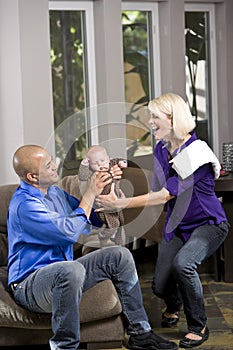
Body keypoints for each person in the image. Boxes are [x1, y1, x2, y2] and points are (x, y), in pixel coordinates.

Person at [7, 144, 178, 350]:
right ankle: (65, 346)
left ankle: (140, 333)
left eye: (52, 160)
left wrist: (113, 203)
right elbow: (69, 232)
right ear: (32, 177)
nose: (55, 166)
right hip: (30, 285)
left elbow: (90, 217)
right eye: (48, 165)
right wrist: (89, 193)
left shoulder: (55, 193)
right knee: (71, 268)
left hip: (65, 276)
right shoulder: (24, 205)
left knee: (120, 255)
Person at [95, 93, 230, 348]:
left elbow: (164, 195)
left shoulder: (197, 153)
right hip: (177, 225)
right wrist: (123, 168)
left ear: (172, 118)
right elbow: (158, 183)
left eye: (155, 116)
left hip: (209, 224)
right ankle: (175, 303)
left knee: (184, 264)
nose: (151, 121)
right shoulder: (161, 148)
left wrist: (120, 204)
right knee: (159, 286)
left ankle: (198, 326)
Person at [78, 145, 127, 247]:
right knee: (114, 224)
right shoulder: (93, 173)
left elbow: (118, 160)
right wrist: (84, 164)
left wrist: (122, 163)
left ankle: (119, 242)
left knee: (121, 222)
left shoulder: (111, 165)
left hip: (116, 202)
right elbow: (82, 175)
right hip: (103, 206)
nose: (100, 165)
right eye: (95, 163)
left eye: (102, 160)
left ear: (108, 158)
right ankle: (103, 237)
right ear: (90, 165)